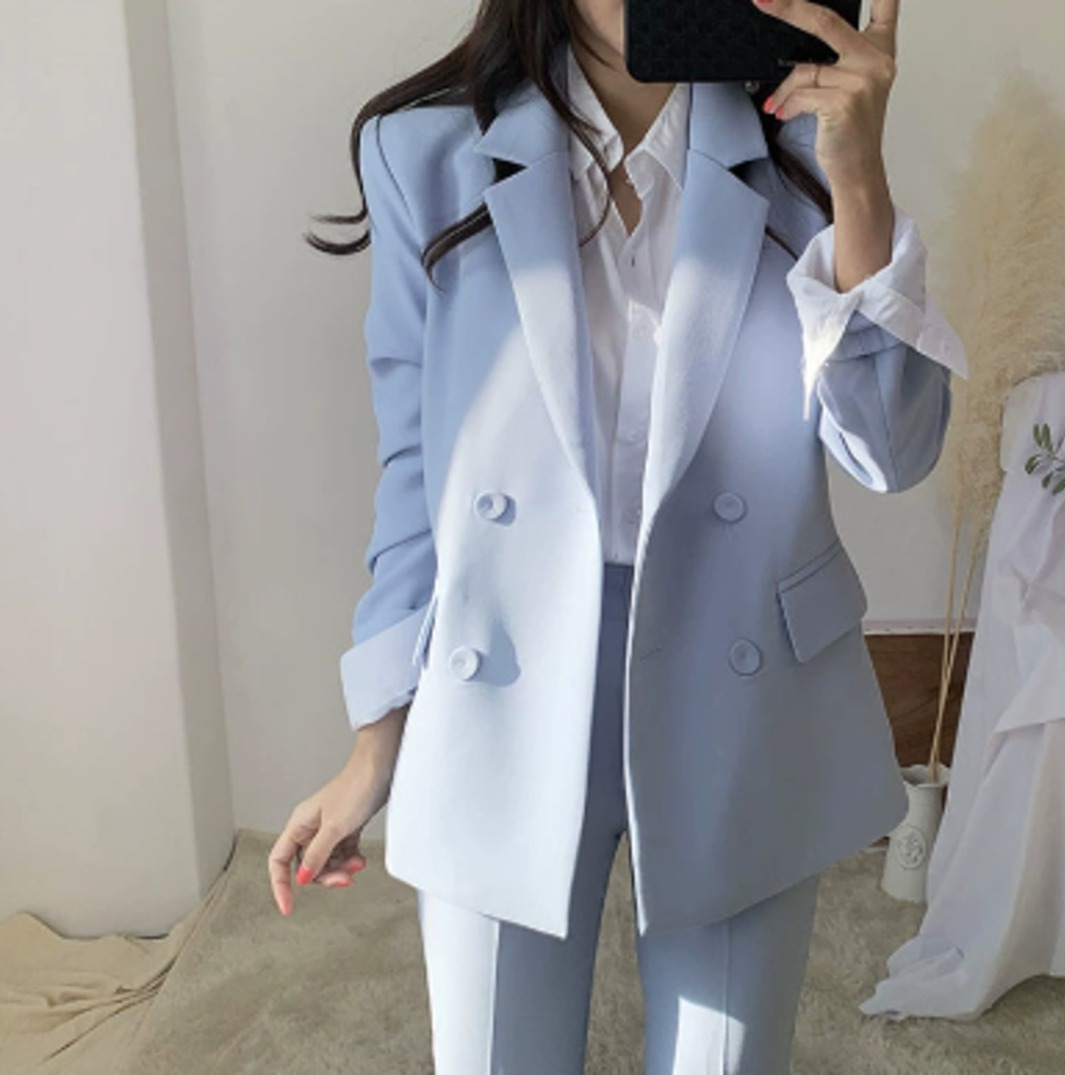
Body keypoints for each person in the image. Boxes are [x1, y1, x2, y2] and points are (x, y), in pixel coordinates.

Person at [269, 0, 966, 1069]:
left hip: (745, 680)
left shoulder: (804, 150)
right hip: (500, 676)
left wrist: (860, 180)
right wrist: (379, 740)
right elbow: (416, 469)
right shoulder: (426, 152)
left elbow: (893, 450)